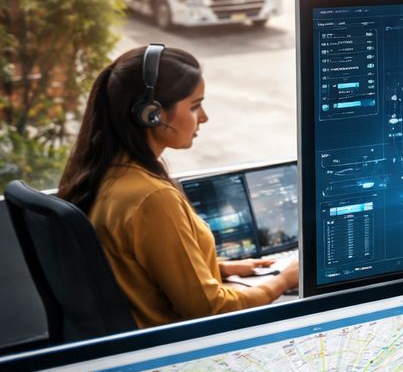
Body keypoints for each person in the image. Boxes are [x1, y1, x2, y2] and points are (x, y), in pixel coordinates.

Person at [57, 44, 299, 328]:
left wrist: (220, 268)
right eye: (195, 106)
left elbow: (134, 266)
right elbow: (209, 308)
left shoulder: (106, 175)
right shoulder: (151, 198)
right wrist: (283, 281)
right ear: (151, 114)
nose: (204, 117)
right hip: (171, 349)